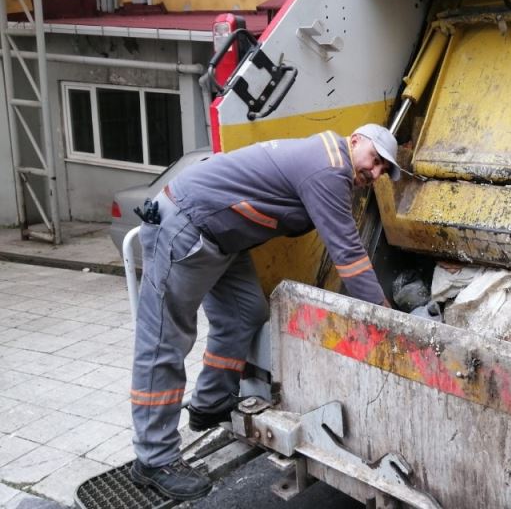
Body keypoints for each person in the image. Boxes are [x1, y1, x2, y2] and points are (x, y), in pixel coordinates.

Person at [129, 124, 400, 500]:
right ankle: (153, 459)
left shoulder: (327, 159)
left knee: (245, 314)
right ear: (355, 141)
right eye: (375, 161)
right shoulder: (331, 167)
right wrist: (387, 318)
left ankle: (211, 403)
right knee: (163, 341)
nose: (375, 174)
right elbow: (349, 255)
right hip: (187, 226)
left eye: (383, 171)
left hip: (223, 238)